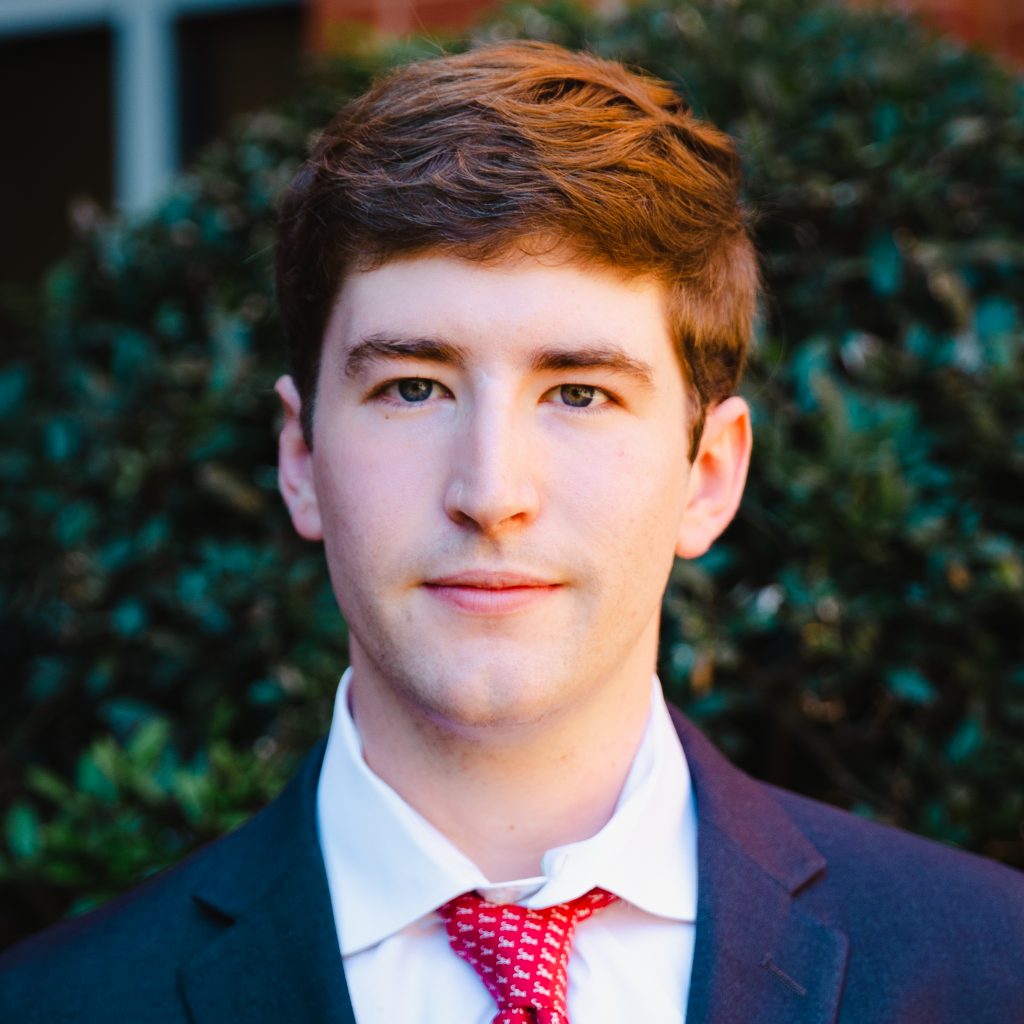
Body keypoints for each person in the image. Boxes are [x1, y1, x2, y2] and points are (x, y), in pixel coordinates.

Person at [1, 40, 1021, 1024]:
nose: (490, 492)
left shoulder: (992, 968)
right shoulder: (55, 1005)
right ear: (300, 459)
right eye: (412, 387)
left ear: (708, 474)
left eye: (577, 392)